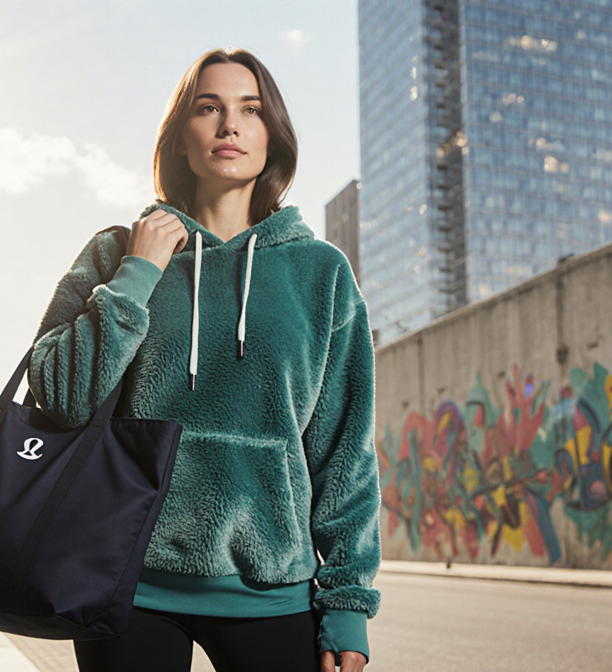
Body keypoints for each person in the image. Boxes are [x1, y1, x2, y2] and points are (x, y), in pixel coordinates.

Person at [27, 47, 380, 672]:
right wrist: (137, 275)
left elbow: (345, 450)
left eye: (251, 109)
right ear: (179, 139)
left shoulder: (320, 273)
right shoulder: (116, 252)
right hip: (123, 583)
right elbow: (56, 395)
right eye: (208, 107)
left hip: (272, 590)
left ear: (273, 136)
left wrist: (348, 602)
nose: (230, 125)